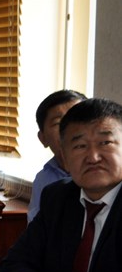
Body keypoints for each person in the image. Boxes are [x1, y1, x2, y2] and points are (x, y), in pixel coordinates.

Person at [0, 98, 122, 272]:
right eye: (80, 146)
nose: (93, 157)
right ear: (64, 155)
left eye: (105, 143)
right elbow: (13, 265)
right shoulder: (58, 197)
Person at [28, 90, 87, 221]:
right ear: (43, 138)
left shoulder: (103, 174)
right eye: (58, 123)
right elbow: (35, 228)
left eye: (77, 118)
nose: (70, 128)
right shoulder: (43, 179)